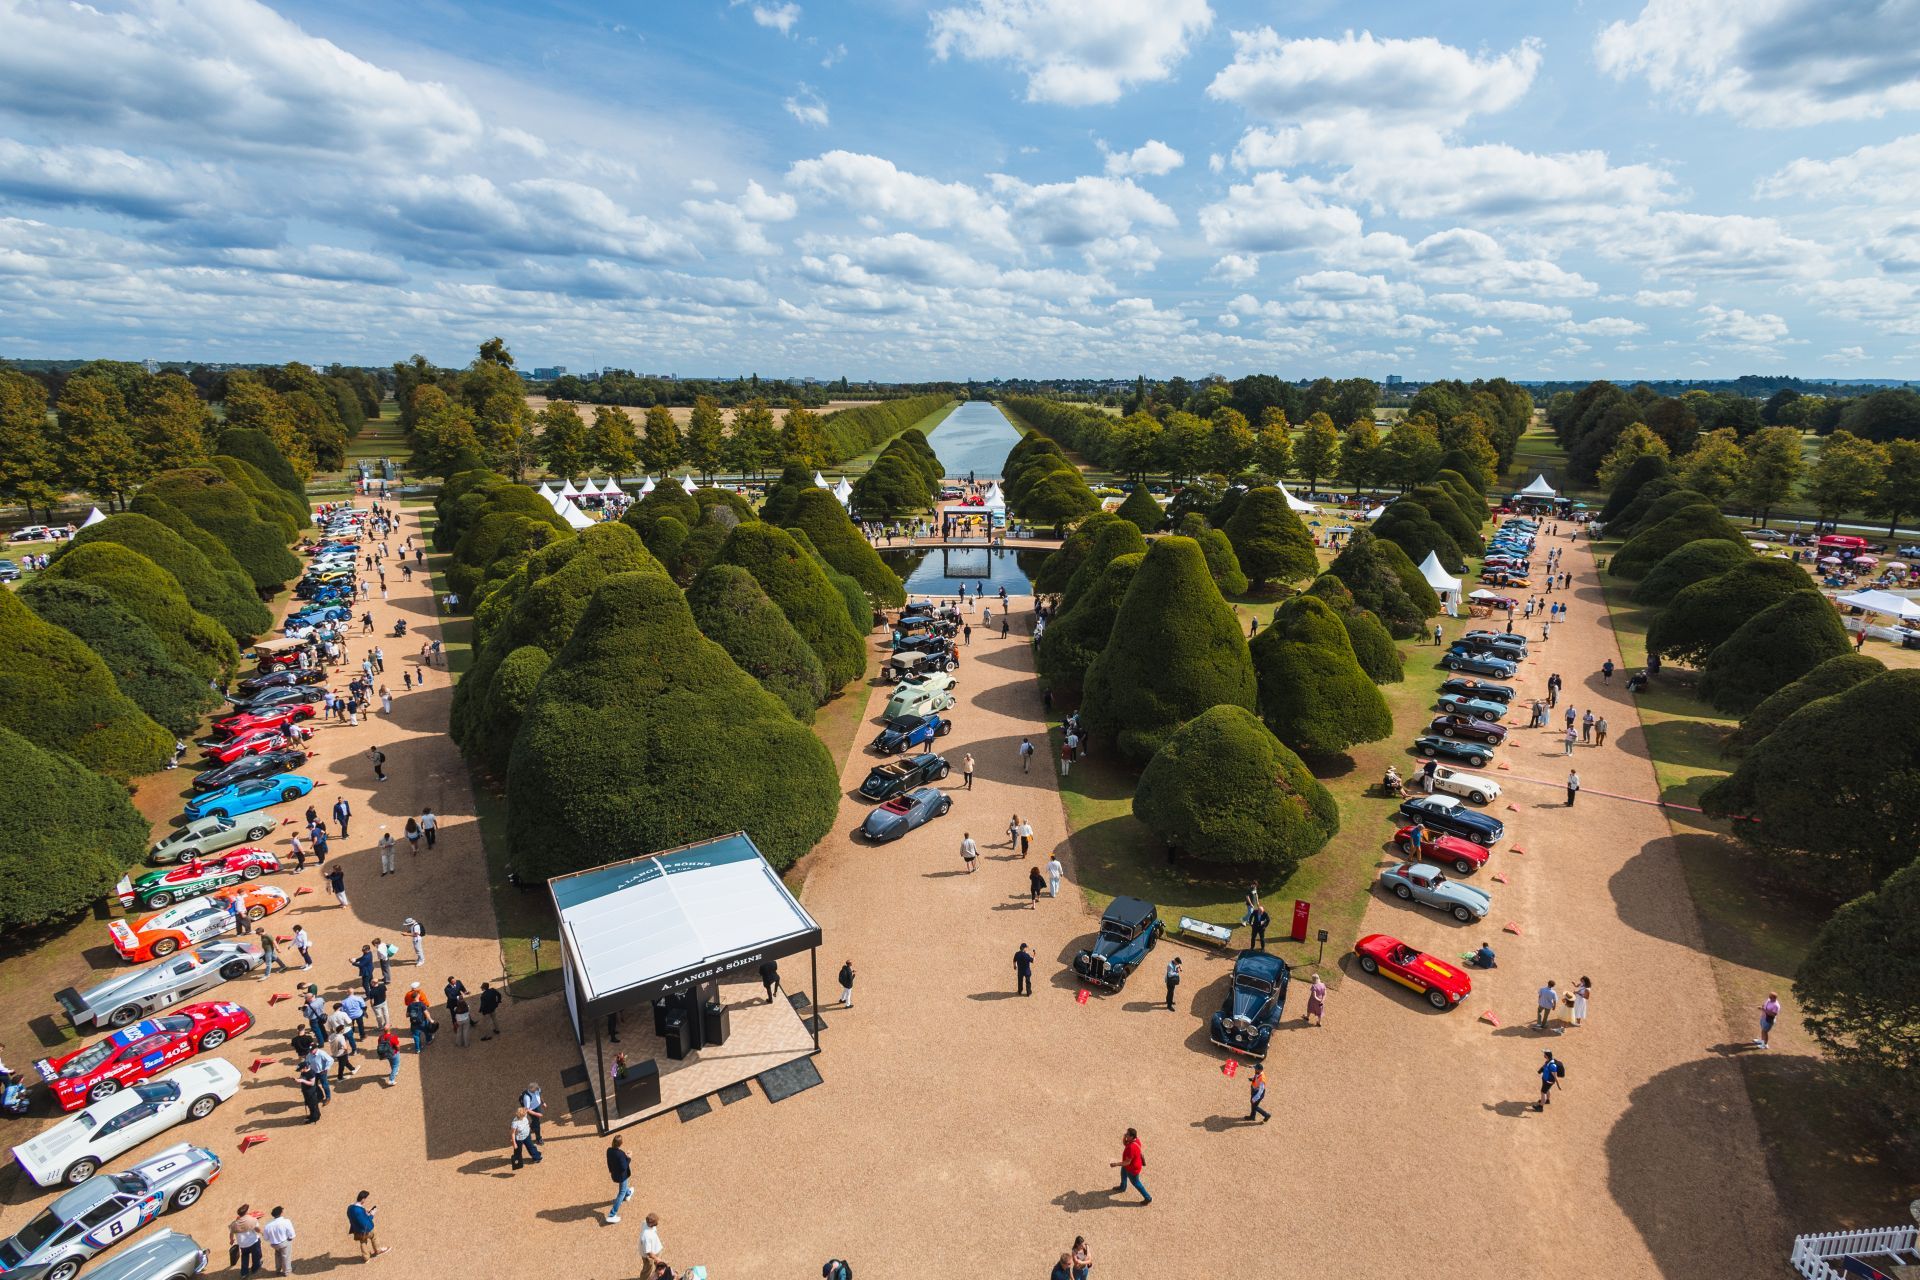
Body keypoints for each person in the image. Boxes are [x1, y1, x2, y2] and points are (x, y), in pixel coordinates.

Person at [1110, 1128, 1150, 1203]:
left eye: (1127, 1134)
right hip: (1128, 1166)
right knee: (1123, 1174)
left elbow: (1127, 1162)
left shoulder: (1131, 1148)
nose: (1126, 1134)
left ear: (1131, 1137)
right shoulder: (1136, 1140)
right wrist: (1124, 1137)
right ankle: (1123, 1187)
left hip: (1132, 1169)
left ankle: (1148, 1197)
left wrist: (1116, 1164)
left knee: (1136, 1183)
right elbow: (1125, 1143)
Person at [347, 1191, 388, 1261]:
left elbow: (355, 1215)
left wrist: (365, 1212)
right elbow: (365, 1222)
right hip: (365, 1230)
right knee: (374, 1236)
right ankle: (378, 1250)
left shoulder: (350, 1208)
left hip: (357, 1230)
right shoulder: (359, 1211)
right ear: (363, 1199)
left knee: (363, 1242)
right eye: (365, 1199)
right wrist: (372, 1215)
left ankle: (366, 1257)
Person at [230, 1205, 264, 1279]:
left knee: (244, 1257)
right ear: (246, 1212)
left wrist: (231, 1240)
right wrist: (262, 1233)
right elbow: (257, 1229)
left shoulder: (234, 1224)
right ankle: (255, 1268)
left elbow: (231, 1233)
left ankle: (244, 1273)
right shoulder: (252, 1220)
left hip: (243, 1245)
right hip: (253, 1242)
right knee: (256, 1255)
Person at [262, 1208, 296, 1277]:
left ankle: (277, 1270)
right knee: (286, 1257)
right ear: (281, 1213)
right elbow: (292, 1234)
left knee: (278, 1256)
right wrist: (289, 1239)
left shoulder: (268, 1225)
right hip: (284, 1243)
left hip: (274, 1245)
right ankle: (286, 1271)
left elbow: (266, 1238)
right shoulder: (286, 1221)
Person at [606, 1135, 632, 1223]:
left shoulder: (609, 1150)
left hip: (615, 1174)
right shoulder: (620, 1154)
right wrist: (628, 1158)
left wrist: (611, 1170)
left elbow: (609, 1162)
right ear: (621, 1143)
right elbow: (624, 1167)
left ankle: (628, 1193)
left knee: (624, 1189)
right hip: (622, 1176)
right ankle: (612, 1214)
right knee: (621, 1193)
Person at [639, 1213, 666, 1280]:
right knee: (647, 1269)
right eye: (656, 1222)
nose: (657, 1223)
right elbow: (648, 1252)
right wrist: (657, 1259)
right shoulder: (646, 1236)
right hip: (650, 1256)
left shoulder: (645, 1223)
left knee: (658, 1267)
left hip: (655, 1249)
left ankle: (656, 1277)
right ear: (651, 1224)